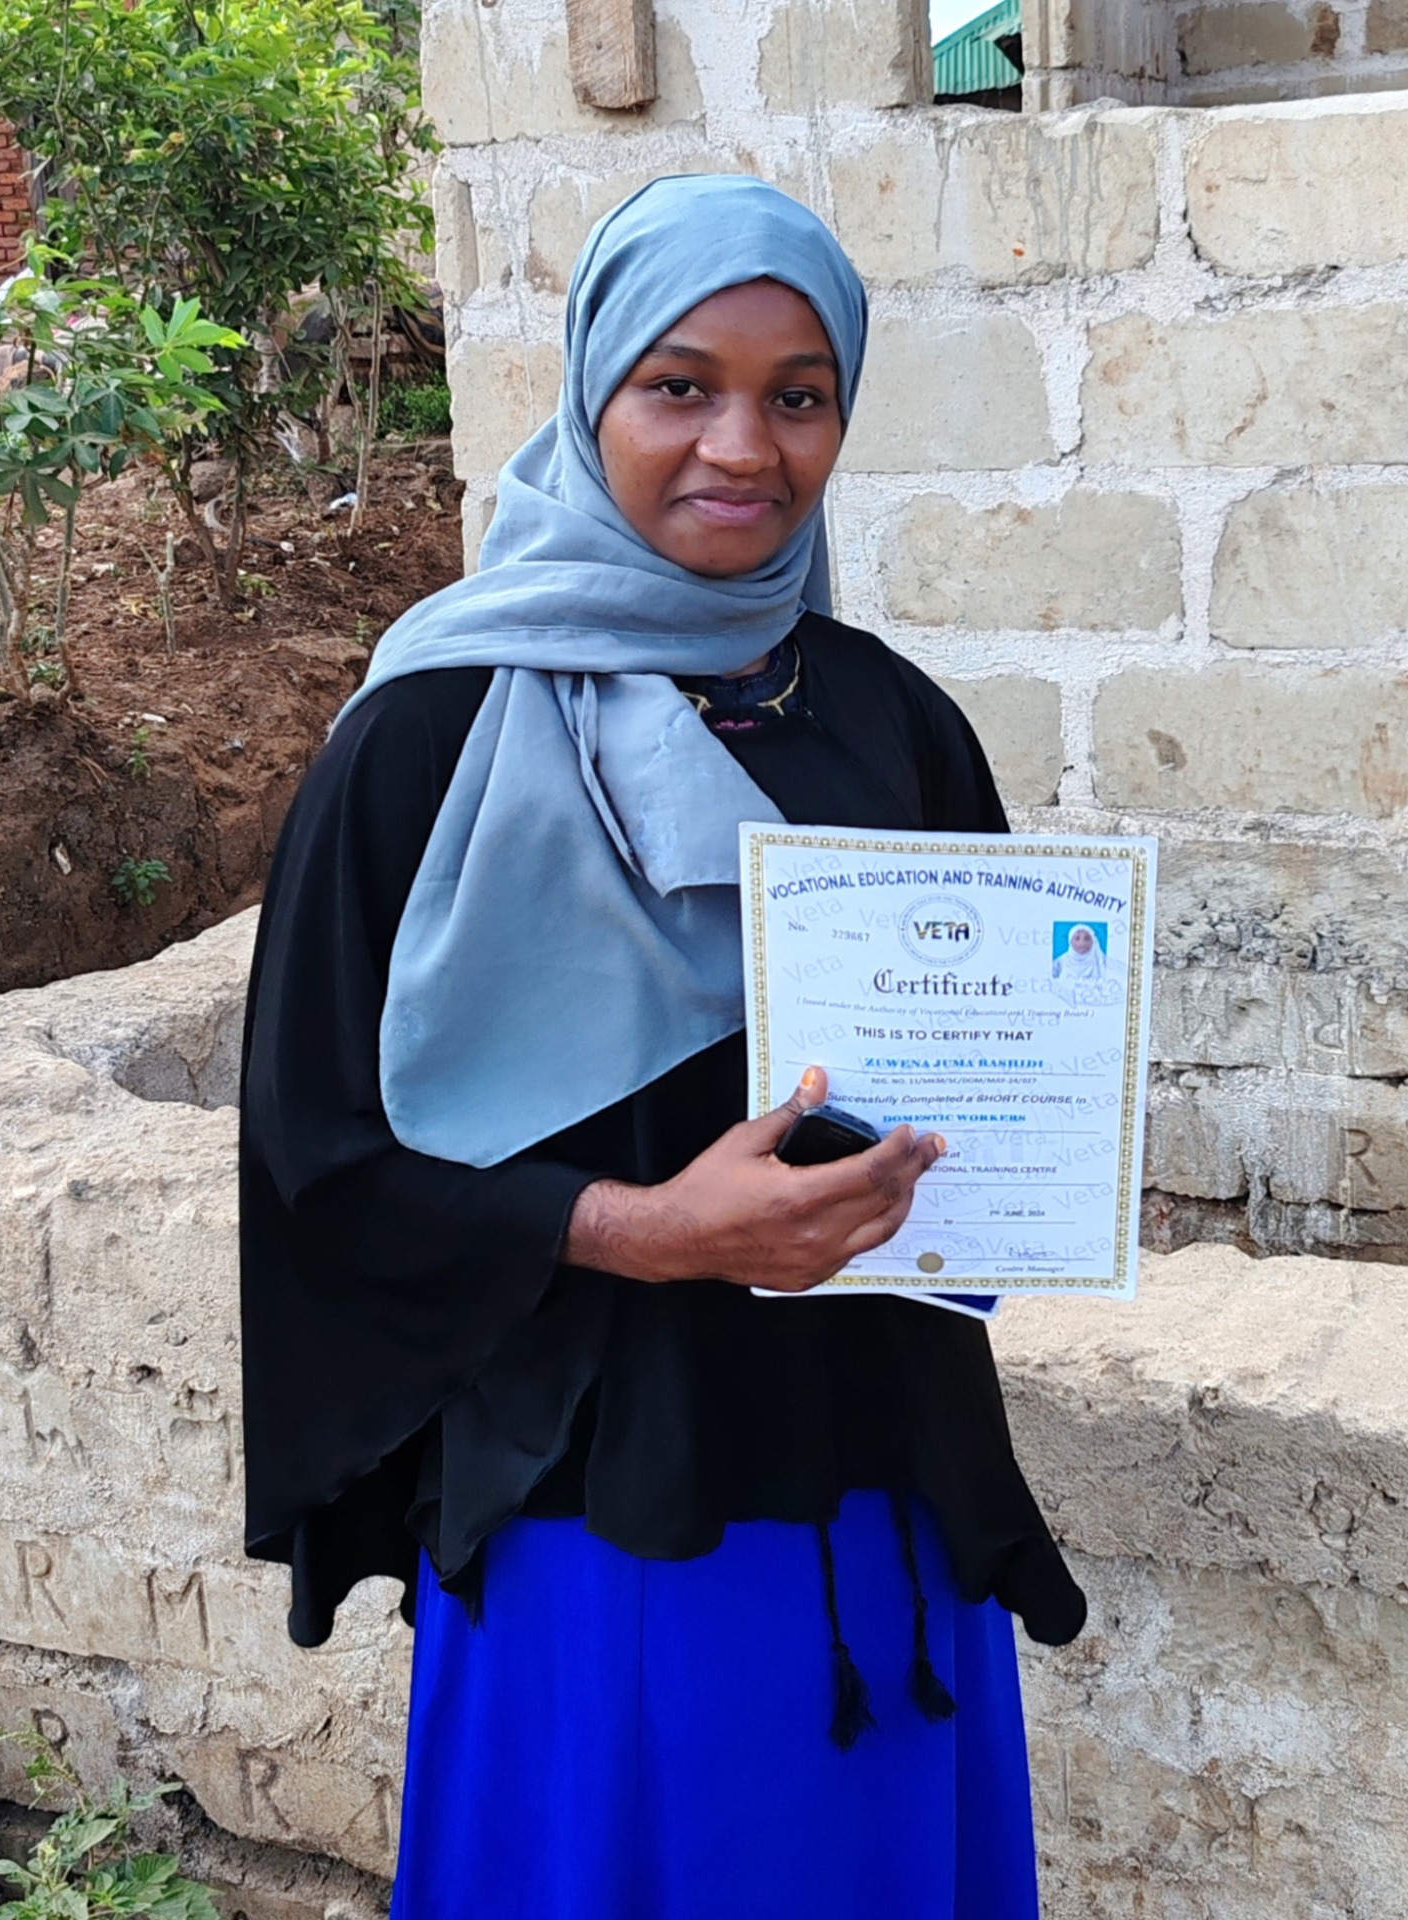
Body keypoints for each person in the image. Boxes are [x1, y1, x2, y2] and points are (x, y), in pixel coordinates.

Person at [239, 175, 1086, 1920]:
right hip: (606, 1513)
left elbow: (989, 1068)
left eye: (799, 396)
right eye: (679, 385)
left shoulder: (890, 723)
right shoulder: (424, 740)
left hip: (877, 1493)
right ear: (591, 396)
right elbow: (317, 1150)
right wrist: (639, 1232)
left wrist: (1038, 1139)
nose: (742, 446)